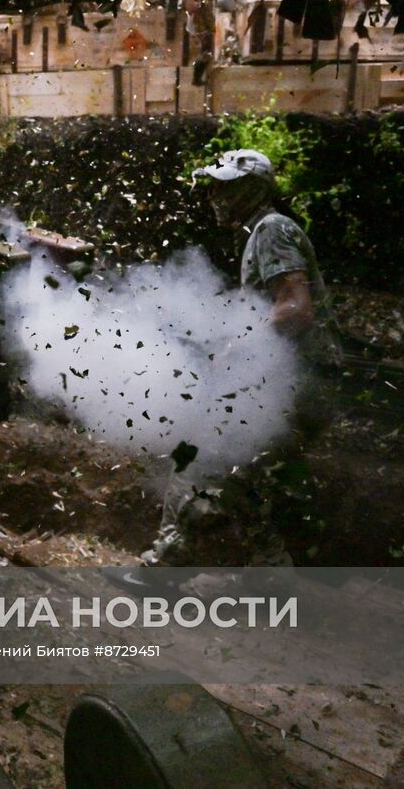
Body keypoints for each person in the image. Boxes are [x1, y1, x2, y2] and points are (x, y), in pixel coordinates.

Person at [142, 148, 340, 567]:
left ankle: (166, 567)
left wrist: (236, 349)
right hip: (298, 383)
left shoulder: (271, 229)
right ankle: (270, 569)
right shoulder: (262, 233)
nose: (213, 196)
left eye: (224, 187)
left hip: (299, 385)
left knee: (199, 460)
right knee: (230, 476)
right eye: (212, 187)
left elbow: (295, 310)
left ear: (253, 188)